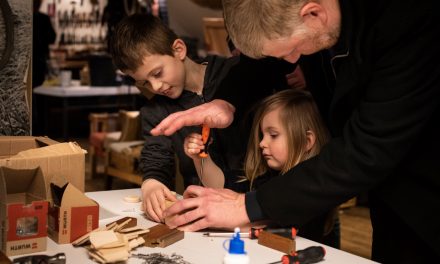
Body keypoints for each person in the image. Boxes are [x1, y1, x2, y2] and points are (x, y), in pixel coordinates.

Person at [152, 0, 440, 262]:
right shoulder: (310, 25)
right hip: (390, 196)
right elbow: (262, 64)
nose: (292, 62)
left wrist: (248, 207)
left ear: (313, 13)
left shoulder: (407, 21)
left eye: (293, 51)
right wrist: (226, 102)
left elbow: (367, 149)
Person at [109, 14, 295, 223]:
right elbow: (156, 157)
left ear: (179, 49)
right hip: (209, 212)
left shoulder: (236, 74)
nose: (155, 87)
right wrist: (152, 182)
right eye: (144, 82)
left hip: (267, 204)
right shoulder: (156, 111)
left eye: (158, 73)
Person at [184, 89, 339, 246]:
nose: (262, 143)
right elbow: (221, 185)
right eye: (262, 135)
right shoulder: (266, 177)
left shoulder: (312, 192)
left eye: (273, 135)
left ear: (306, 141)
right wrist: (200, 158)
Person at [32, 0, 56, 88]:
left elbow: (52, 38)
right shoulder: (43, 18)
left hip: (35, 59)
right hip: (40, 59)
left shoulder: (42, 18)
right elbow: (52, 38)